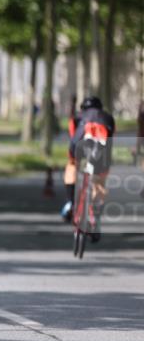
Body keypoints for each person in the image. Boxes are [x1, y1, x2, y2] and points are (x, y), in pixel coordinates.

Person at [61, 96, 115, 238]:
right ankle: (95, 218)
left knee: (71, 168)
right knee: (99, 183)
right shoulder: (108, 118)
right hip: (102, 154)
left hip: (81, 148)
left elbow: (73, 137)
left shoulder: (78, 117)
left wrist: (72, 158)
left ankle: (70, 203)